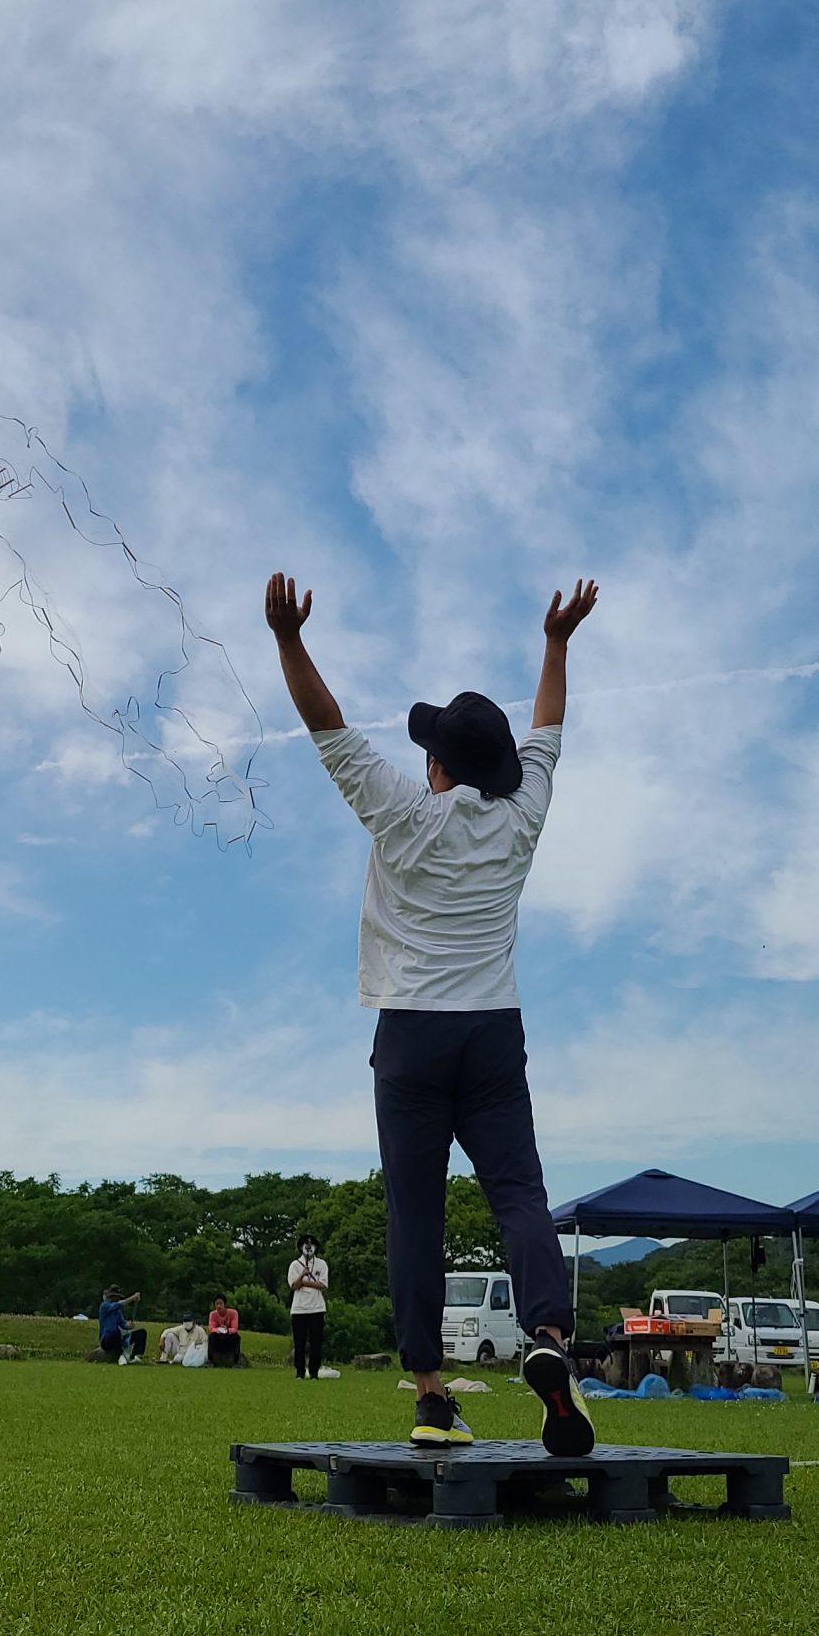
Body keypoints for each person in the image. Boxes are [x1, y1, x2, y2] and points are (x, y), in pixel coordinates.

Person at [267, 570, 599, 1452]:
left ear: (437, 763)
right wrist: (557, 644)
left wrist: (289, 640)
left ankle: (428, 1393)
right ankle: (550, 1338)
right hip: (493, 1030)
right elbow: (550, 731)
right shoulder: (523, 813)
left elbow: (326, 727)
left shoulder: (402, 813)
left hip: (410, 1033)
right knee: (520, 1194)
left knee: (415, 1212)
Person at [286, 1235, 329, 1380]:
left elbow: (322, 1284)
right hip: (299, 1309)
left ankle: (314, 1372)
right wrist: (302, 1276)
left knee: (316, 1343)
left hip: (317, 1308)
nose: (309, 1247)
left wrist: (305, 1283)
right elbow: (294, 1285)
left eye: (311, 1245)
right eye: (306, 1244)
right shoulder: (294, 1265)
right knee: (300, 1343)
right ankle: (299, 1372)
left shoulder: (322, 1264)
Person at [96, 1287, 145, 1366]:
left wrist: (128, 1326)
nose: (116, 1299)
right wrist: (132, 1298)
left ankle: (135, 1356)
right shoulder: (104, 1306)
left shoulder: (118, 1311)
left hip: (118, 1338)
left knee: (141, 1333)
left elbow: (123, 1324)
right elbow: (118, 1304)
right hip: (107, 1339)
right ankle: (121, 1355)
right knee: (114, 1331)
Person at [205, 1295, 243, 1369]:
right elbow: (211, 1327)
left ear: (225, 1304)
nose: (219, 1306)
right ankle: (210, 1361)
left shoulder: (233, 1313)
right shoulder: (212, 1314)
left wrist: (227, 1330)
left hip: (229, 1335)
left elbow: (235, 1328)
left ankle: (236, 1361)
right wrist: (219, 1330)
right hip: (218, 1335)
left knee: (236, 1337)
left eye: (220, 1303)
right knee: (211, 1336)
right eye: (217, 1304)